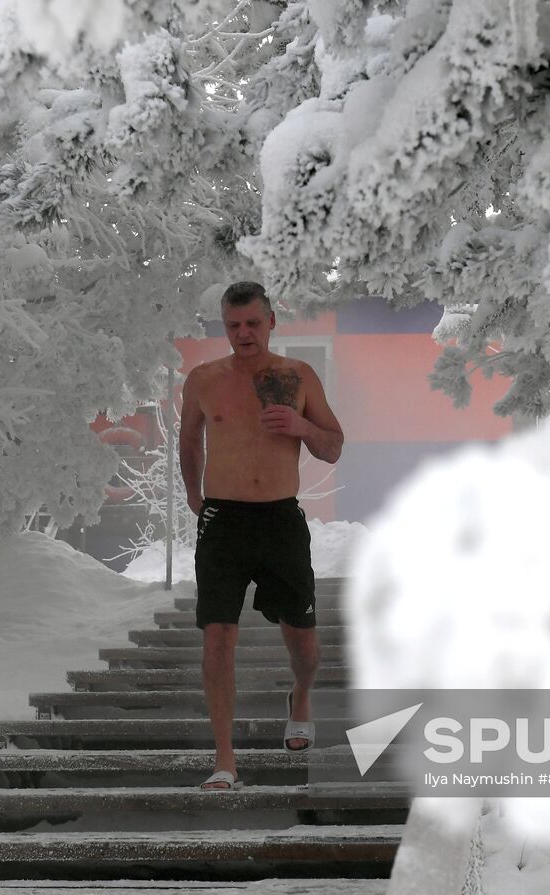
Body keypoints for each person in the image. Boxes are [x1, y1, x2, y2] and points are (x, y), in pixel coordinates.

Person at [179, 281, 345, 791]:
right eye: (233, 325)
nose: (243, 333)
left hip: (280, 519)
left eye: (253, 323)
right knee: (217, 637)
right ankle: (225, 761)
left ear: (271, 321)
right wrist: (194, 497)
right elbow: (189, 441)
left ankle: (300, 693)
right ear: (224, 326)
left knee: (305, 644)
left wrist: (300, 426)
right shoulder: (204, 379)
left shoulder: (297, 377)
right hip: (223, 522)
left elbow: (333, 446)